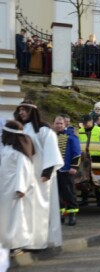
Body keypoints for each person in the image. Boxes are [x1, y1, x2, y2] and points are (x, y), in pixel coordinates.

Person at [14, 101, 64, 249]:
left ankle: (38, 242)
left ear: (32, 111)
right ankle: (24, 240)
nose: (22, 112)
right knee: (25, 209)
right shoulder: (20, 128)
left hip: (40, 176)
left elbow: (51, 151)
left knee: (40, 208)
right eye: (20, 110)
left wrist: (47, 173)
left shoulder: (44, 130)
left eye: (25, 110)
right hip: (24, 175)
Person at [0, 120, 35, 251]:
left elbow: (23, 170)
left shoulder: (20, 153)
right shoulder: (7, 148)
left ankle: (16, 243)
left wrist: (20, 188)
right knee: (5, 217)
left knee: (15, 217)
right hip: (4, 188)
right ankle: (5, 242)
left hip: (14, 189)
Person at [53, 116, 81, 226]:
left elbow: (77, 152)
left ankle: (72, 215)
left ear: (64, 124)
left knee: (68, 193)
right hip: (54, 171)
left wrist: (74, 167)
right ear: (53, 124)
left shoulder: (71, 136)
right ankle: (59, 214)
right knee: (56, 194)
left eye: (61, 123)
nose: (59, 125)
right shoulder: (51, 136)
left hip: (67, 170)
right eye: (57, 123)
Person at [78, 114, 100, 207]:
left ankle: (99, 200)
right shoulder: (80, 131)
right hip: (85, 159)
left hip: (99, 158)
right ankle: (84, 199)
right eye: (83, 123)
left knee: (98, 180)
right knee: (85, 179)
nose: (85, 125)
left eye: (86, 123)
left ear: (91, 122)